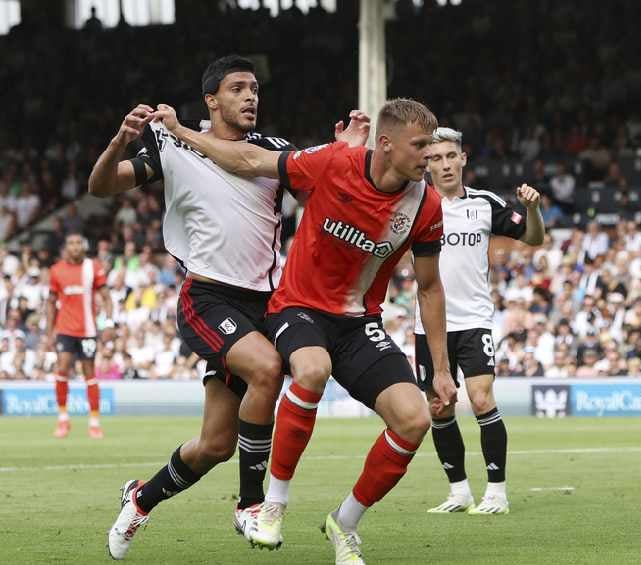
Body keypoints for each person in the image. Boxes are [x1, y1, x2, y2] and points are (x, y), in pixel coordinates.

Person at [154, 97, 457, 564]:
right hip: (298, 308)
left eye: (433, 147)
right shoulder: (333, 162)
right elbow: (251, 159)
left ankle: (345, 522)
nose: (429, 156)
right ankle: (273, 503)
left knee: (414, 418)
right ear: (385, 144)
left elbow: (431, 287)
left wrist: (439, 369)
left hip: (358, 324)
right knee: (312, 369)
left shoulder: (427, 204)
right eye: (420, 145)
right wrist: (182, 132)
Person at [94, 55, 370, 558]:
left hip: (265, 303)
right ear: (211, 100)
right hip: (208, 296)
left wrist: (342, 152)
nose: (251, 98)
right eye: (239, 88)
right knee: (268, 368)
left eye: (256, 90)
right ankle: (250, 504)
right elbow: (102, 186)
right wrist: (119, 142)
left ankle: (140, 498)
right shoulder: (171, 140)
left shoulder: (272, 151)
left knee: (215, 445)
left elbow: (326, 183)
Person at [420, 127, 545, 515]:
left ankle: (497, 492)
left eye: (449, 156)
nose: (444, 164)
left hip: (474, 320)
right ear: (426, 164)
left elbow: (533, 239)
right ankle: (459, 491)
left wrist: (534, 210)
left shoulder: (485, 204)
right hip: (429, 326)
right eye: (435, 158)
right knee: (439, 408)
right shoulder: (414, 206)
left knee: (480, 399)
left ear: (463, 159)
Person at [45, 232, 114, 439]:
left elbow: (107, 298)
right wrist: (49, 332)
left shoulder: (92, 267)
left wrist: (108, 323)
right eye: (71, 243)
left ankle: (94, 423)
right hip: (65, 329)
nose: (75, 247)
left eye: (78, 243)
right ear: (66, 247)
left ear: (83, 247)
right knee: (62, 369)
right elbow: (50, 302)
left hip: (88, 330)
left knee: (89, 373)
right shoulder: (56, 270)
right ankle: (63, 420)